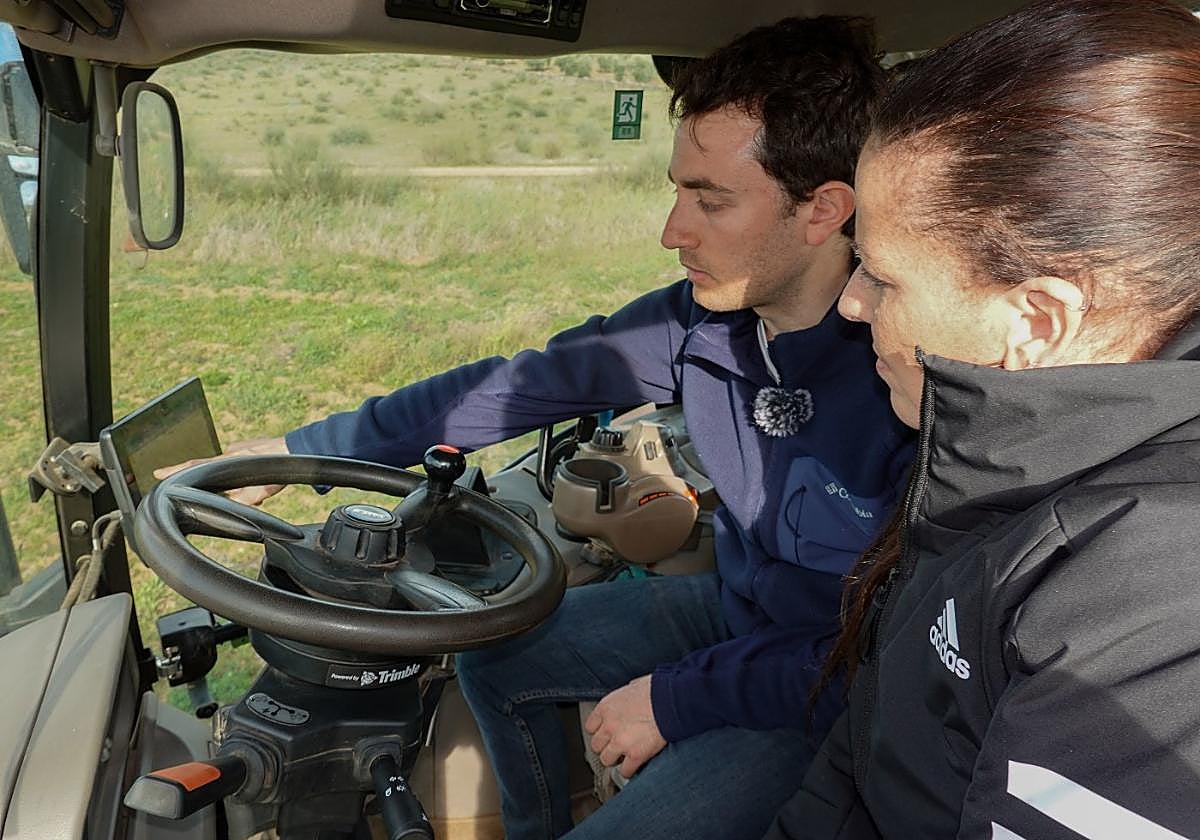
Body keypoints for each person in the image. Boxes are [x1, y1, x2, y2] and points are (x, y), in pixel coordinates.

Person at [163, 16, 912, 840]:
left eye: (711, 200)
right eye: (676, 189)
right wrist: (304, 452)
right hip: (740, 612)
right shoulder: (704, 325)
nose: (672, 231)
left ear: (822, 212)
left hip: (834, 691)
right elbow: (517, 386)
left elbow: (889, 660)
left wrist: (675, 698)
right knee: (499, 652)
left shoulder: (911, 384)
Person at [764, 1, 1200, 837]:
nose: (852, 304)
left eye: (882, 278)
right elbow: (865, 754)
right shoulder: (996, 456)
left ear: (1036, 320)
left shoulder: (1154, 597)